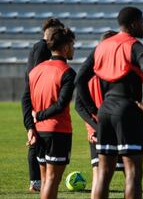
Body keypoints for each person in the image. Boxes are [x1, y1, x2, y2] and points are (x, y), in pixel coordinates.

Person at [75, 7, 143, 199]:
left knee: (103, 173)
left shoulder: (101, 47)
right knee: (133, 173)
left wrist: (94, 109)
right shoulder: (136, 47)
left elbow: (79, 79)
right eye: (142, 21)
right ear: (134, 23)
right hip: (128, 110)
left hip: (105, 112)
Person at [23, 27, 76, 199]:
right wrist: (40, 115)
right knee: (52, 180)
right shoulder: (67, 72)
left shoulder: (36, 70)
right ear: (65, 47)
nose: (74, 48)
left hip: (40, 132)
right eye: (72, 44)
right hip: (57, 131)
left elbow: (26, 100)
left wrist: (31, 125)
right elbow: (60, 105)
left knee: (46, 180)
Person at [74, 30, 124, 199]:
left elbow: (79, 106)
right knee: (130, 174)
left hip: (96, 132)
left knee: (99, 176)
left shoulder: (88, 72)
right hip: (118, 130)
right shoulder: (118, 72)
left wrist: (93, 127)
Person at [21, 17, 64, 192]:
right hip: (36, 100)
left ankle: (40, 180)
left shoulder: (50, 49)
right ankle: (36, 181)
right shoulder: (41, 48)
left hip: (39, 100)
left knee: (39, 138)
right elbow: (35, 78)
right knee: (35, 139)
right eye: (59, 32)